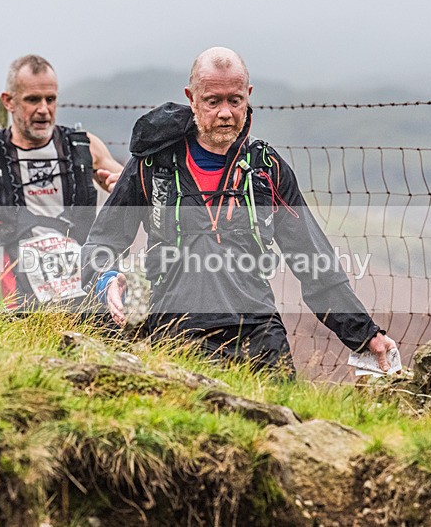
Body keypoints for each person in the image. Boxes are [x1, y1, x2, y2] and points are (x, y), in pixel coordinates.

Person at [81, 47, 397, 374]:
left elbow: (316, 264)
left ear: (248, 95)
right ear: (191, 98)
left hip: (259, 335)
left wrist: (366, 335)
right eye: (212, 101)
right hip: (174, 330)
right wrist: (105, 281)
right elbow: (100, 242)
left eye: (235, 100)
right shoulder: (153, 164)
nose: (225, 113)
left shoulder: (266, 168)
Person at [0, 54, 123, 307]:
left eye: (50, 99)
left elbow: (128, 188)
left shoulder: (84, 146)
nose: (43, 109)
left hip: (85, 287)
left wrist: (116, 186)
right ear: (8, 101)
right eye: (32, 100)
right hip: (21, 299)